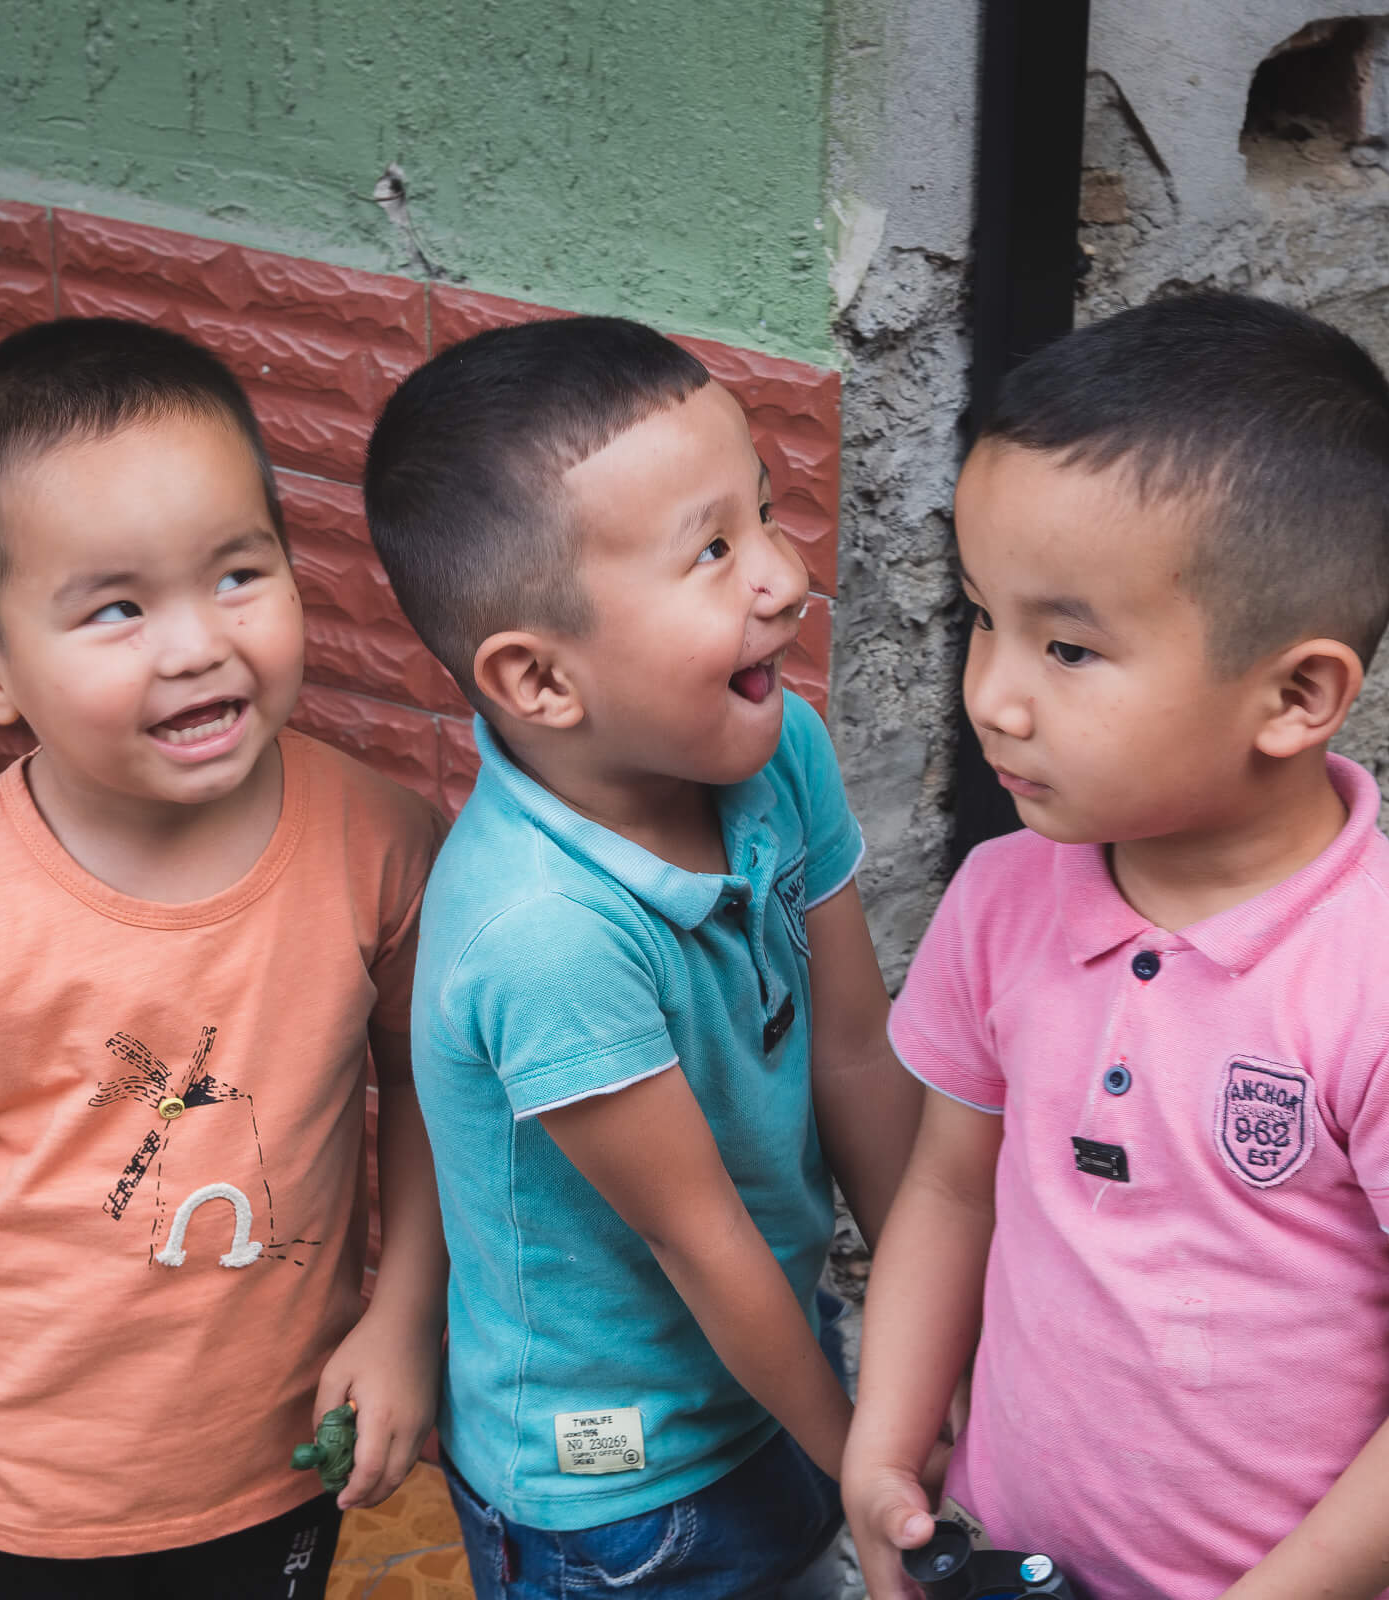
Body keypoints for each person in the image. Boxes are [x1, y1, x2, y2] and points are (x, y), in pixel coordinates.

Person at [844, 293, 1389, 1600]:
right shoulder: (1003, 901)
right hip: (1010, 1558)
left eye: (1067, 646)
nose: (995, 694)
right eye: (981, 621)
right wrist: (885, 1448)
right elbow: (952, 1190)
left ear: (1296, 696)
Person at [0, 318, 447, 1598]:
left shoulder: (379, 841)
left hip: (278, 1461)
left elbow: (429, 1085)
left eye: (237, 575)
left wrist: (404, 1314)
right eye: (119, 607)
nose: (194, 643)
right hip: (14, 1498)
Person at [362, 315, 921, 1598]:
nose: (782, 575)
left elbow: (851, 1046)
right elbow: (700, 1239)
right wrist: (865, 1468)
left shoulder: (780, 754)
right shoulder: (544, 933)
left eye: (767, 514)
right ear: (540, 680)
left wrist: (933, 1352)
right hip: (616, 1499)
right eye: (713, 551)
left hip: (784, 1371)